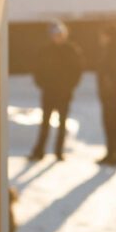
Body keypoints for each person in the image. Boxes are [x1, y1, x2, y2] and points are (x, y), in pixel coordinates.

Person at [29, 20, 83, 161]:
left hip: (64, 93)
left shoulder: (71, 50)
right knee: (45, 122)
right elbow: (37, 70)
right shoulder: (45, 51)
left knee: (62, 123)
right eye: (55, 35)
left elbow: (77, 71)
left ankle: (59, 152)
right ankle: (39, 151)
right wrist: (42, 84)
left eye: (60, 34)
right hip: (49, 92)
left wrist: (69, 86)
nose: (58, 37)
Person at [96, 24, 116, 166]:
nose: (101, 39)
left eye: (103, 36)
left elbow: (115, 73)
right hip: (108, 95)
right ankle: (110, 152)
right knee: (109, 123)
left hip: (114, 95)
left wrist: (110, 88)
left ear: (109, 36)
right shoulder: (110, 50)